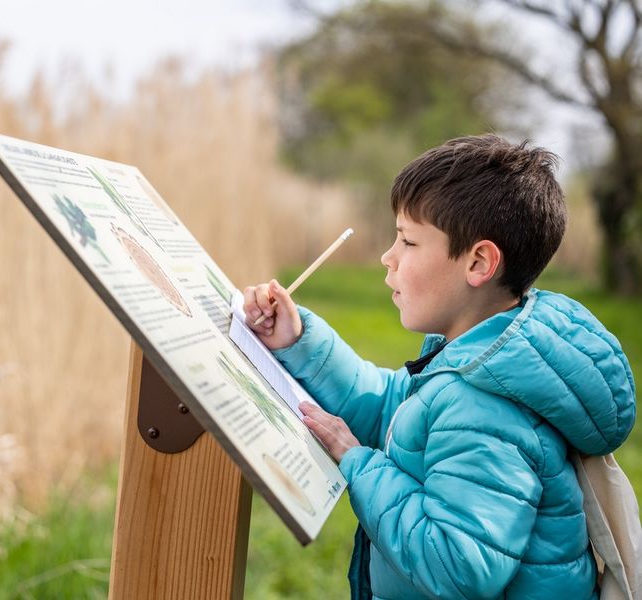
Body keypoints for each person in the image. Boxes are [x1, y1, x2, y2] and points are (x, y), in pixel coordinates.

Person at [243, 134, 636, 599]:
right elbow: (395, 408)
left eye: (408, 241)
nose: (388, 258)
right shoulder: (479, 361)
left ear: (479, 262)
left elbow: (457, 565)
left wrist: (357, 462)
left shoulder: (487, 407)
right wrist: (299, 340)